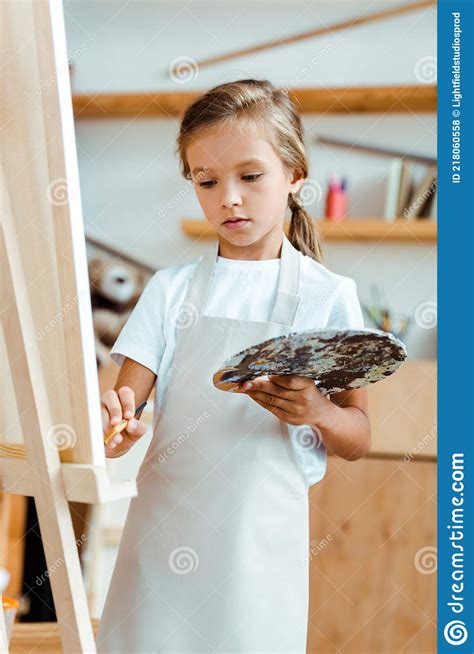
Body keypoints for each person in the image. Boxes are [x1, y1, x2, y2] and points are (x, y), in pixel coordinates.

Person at [96, 79, 371, 653]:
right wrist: (117, 423)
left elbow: (358, 436)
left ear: (295, 175)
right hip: (163, 534)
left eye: (250, 176)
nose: (230, 198)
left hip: (260, 549)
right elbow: (125, 399)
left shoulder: (328, 297)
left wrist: (316, 410)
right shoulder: (171, 291)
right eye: (207, 181)